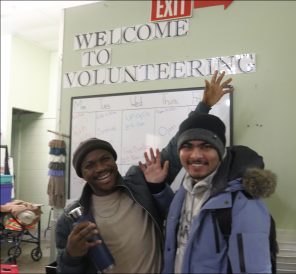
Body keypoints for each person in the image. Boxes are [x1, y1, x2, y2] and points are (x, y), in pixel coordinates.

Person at [55, 71, 233, 274]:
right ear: (81, 174)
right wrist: (71, 255)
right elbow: (64, 270)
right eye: (90, 165)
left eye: (105, 159)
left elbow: (177, 147)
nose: (101, 168)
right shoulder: (71, 219)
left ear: (114, 161)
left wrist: (204, 106)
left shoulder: (139, 183)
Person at [139, 113, 277, 273]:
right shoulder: (186, 188)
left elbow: (254, 269)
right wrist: (157, 187)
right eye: (187, 146)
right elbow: (181, 221)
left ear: (220, 151)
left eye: (206, 146)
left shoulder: (243, 201)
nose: (196, 155)